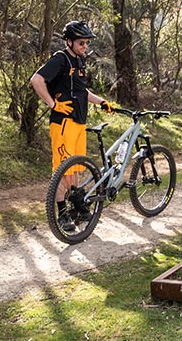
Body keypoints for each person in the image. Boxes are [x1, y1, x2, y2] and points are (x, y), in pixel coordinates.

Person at [30, 20, 115, 232]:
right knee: (61, 170)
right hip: (63, 124)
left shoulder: (79, 62)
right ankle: (62, 213)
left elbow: (81, 92)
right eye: (81, 43)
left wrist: (102, 102)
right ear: (69, 41)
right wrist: (53, 104)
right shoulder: (60, 59)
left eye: (86, 43)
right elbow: (36, 80)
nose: (85, 46)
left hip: (78, 123)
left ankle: (77, 206)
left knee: (75, 168)